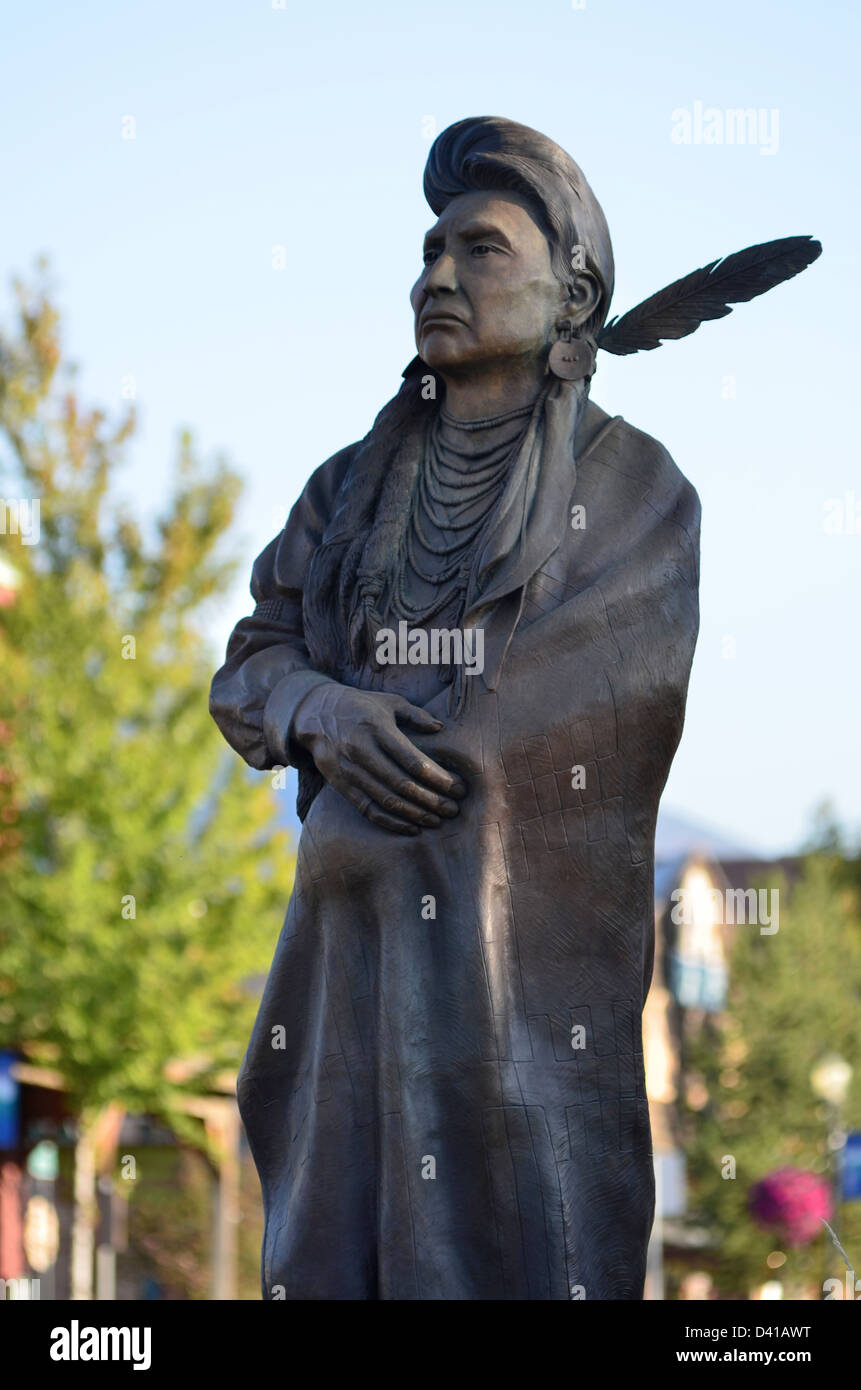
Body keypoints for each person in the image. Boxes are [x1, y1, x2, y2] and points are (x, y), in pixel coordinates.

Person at [210, 116, 700, 1299]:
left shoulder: (634, 491)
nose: (435, 274)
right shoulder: (348, 485)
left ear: (572, 292)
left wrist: (396, 774)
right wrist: (321, 707)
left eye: (479, 248)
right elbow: (250, 665)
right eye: (430, 249)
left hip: (509, 991)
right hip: (343, 972)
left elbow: (588, 698)